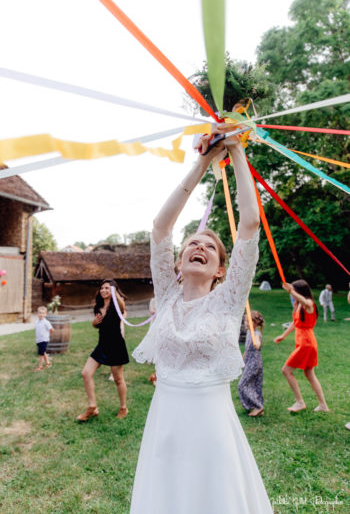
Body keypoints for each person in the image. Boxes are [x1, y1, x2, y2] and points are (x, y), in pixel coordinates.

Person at [130, 128, 273, 513]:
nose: (199, 246)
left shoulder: (228, 300)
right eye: (193, 242)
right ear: (178, 262)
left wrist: (237, 151)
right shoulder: (167, 293)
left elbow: (249, 226)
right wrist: (202, 162)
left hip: (212, 430)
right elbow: (161, 228)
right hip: (166, 425)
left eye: (210, 247)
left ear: (221, 270)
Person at [77, 279, 129, 421]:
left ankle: (123, 408)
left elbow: (123, 310)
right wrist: (94, 324)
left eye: (107, 288)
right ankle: (92, 407)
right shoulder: (98, 307)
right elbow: (98, 325)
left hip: (116, 346)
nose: (103, 290)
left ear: (113, 290)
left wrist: (115, 293)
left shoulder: (118, 306)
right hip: (102, 345)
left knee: (118, 379)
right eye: (102, 288)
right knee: (86, 373)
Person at [274, 280, 329, 413]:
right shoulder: (298, 304)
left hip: (306, 343)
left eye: (294, 291)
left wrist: (291, 291)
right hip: (303, 342)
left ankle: (300, 402)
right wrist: (283, 335)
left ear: (300, 291)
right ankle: (323, 405)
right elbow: (295, 323)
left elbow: (306, 302)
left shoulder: (309, 304)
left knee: (286, 370)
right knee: (309, 373)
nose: (292, 294)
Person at [238, 311, 265, 417]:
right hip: (249, 361)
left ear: (256, 323)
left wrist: (257, 344)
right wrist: (242, 360)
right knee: (254, 385)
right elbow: (247, 350)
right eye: (245, 321)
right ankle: (258, 408)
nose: (246, 324)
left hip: (254, 363)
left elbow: (257, 344)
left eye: (249, 322)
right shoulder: (249, 333)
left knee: (242, 385)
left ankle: (258, 406)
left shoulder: (256, 334)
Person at [34, 306, 53, 371]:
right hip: (39, 340)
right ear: (37, 314)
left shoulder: (46, 322)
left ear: (45, 314)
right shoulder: (37, 322)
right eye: (39, 313)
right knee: (43, 352)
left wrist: (47, 335)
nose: (41, 314)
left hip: (44, 340)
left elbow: (51, 329)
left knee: (41, 354)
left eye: (43, 313)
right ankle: (48, 363)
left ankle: (40, 367)